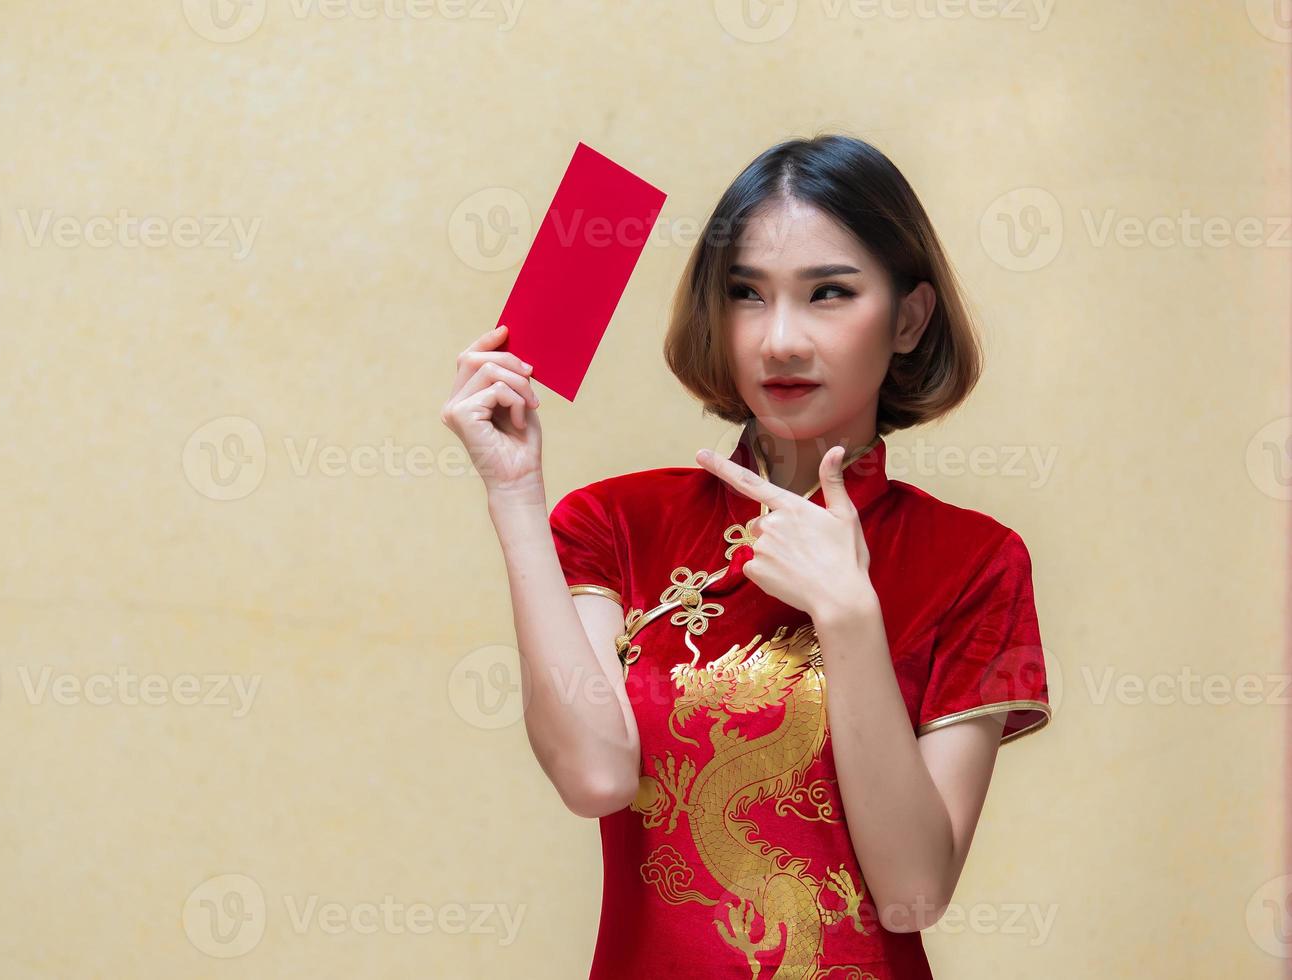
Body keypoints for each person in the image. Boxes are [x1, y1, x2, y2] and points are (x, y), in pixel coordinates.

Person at [440, 134, 1052, 980]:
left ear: (909, 318)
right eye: (747, 296)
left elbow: (912, 893)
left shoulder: (975, 561)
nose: (782, 342)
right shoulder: (618, 523)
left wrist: (848, 614)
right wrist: (513, 493)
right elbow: (593, 777)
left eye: (829, 294)